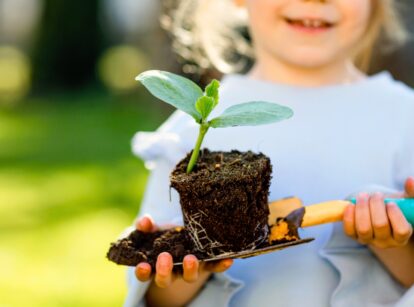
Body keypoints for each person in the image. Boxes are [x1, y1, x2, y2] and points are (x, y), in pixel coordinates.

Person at [124, 0, 414, 306]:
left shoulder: (404, 118)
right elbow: (159, 296)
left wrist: (391, 242)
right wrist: (183, 267)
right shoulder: (194, 128)